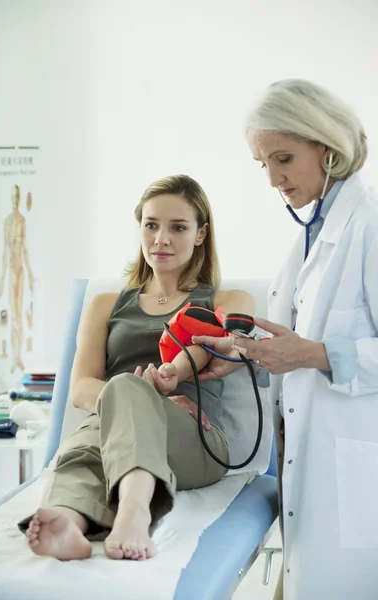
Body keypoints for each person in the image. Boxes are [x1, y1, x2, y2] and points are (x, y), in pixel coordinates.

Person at [193, 80, 378, 600]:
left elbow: (316, 348)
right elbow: (295, 336)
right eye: (263, 164)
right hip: (307, 456)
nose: (274, 178)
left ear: (328, 148)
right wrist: (247, 355)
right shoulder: (314, 228)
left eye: (284, 159)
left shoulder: (369, 223)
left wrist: (313, 354)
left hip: (354, 466)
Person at [19, 174, 254, 561]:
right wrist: (140, 397)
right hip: (113, 425)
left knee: (123, 392)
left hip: (195, 440)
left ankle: (134, 509)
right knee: (90, 436)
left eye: (178, 227)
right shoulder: (104, 304)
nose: (161, 238)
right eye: (151, 225)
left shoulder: (228, 298)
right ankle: (68, 522)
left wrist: (159, 384)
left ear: (200, 234)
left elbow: (221, 345)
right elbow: (80, 389)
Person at [0, 184, 35, 373]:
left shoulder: (21, 221)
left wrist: (30, 274)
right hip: (12, 271)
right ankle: (14, 357)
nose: (15, 199)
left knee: (20, 316)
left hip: (21, 271)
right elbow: (5, 251)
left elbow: (25, 250)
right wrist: (3, 278)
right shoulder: (7, 222)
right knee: (14, 317)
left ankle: (18, 357)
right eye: (13, 196)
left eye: (17, 196)